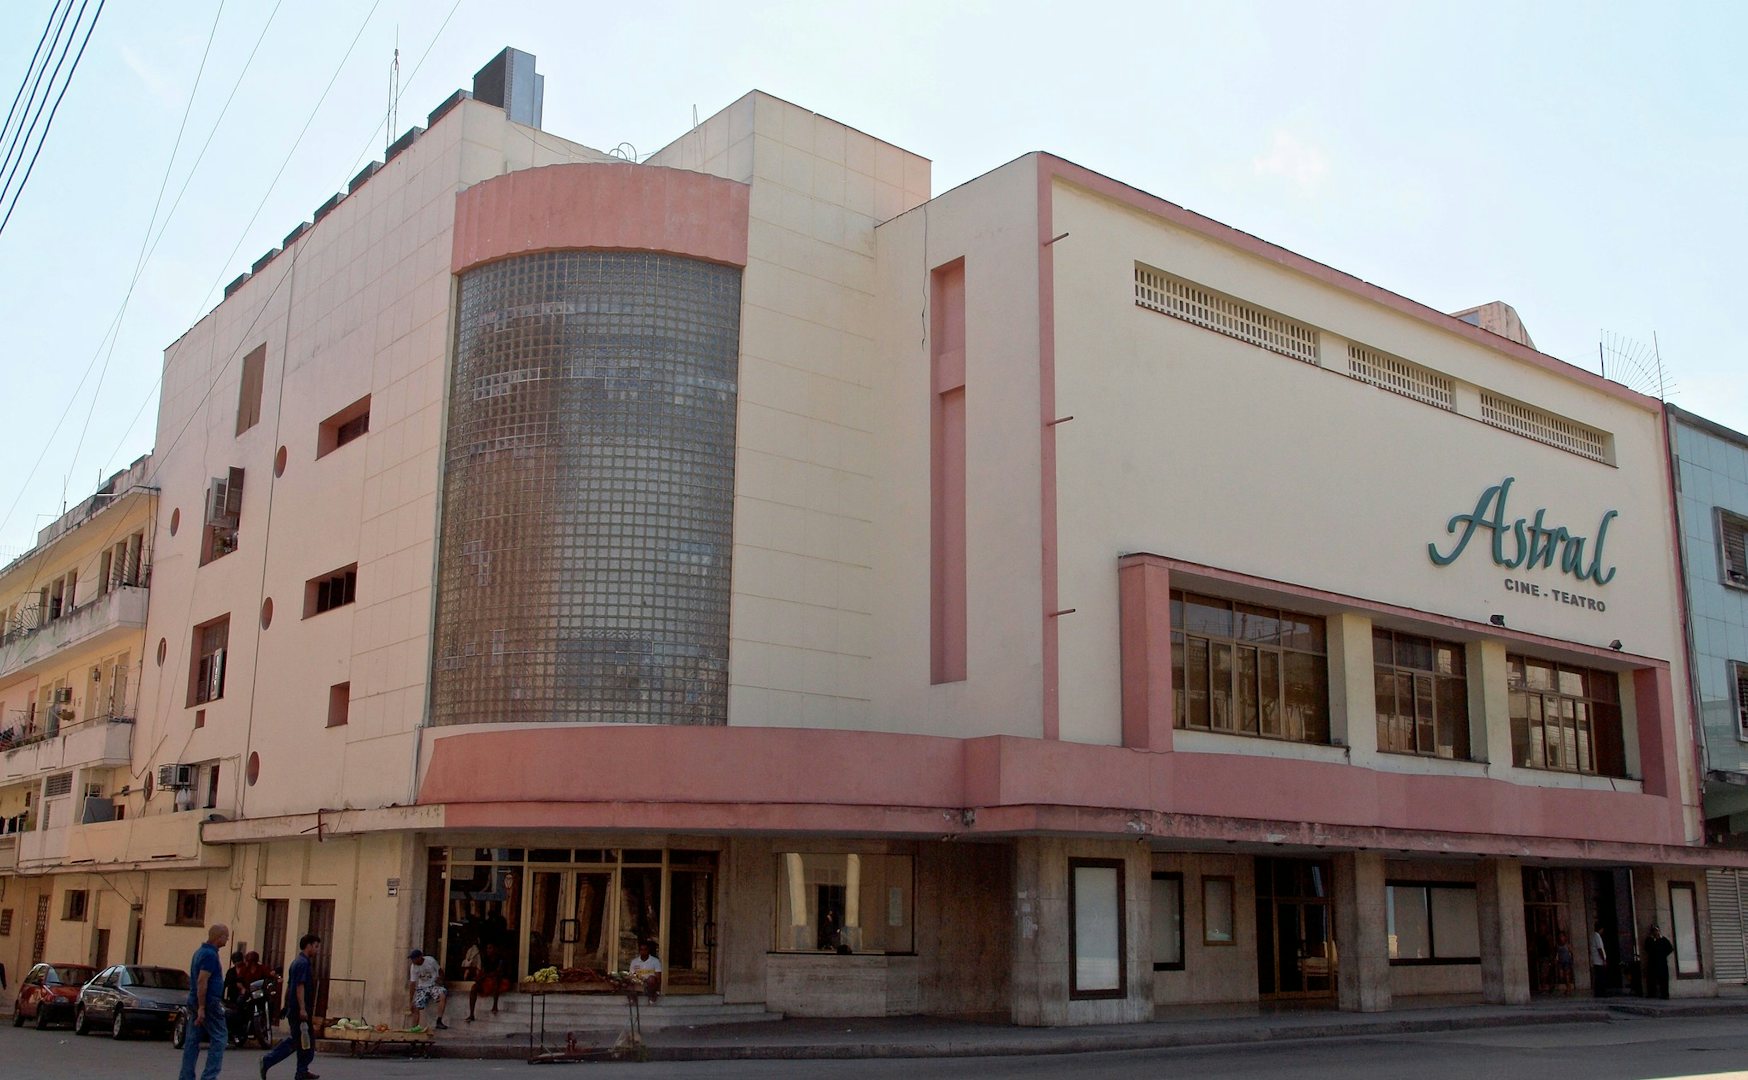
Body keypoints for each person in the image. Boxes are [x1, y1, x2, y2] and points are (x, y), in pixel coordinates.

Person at [260, 934, 320, 1080]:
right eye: (316, 946)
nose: (317, 950)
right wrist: (302, 1008)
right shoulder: (302, 964)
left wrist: (286, 1005)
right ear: (309, 946)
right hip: (299, 1010)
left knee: (302, 1041)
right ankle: (269, 1060)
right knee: (302, 1040)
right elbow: (299, 986)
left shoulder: (296, 962)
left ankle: (302, 1070)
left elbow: (289, 985)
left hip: (294, 1008)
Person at [180, 923, 231, 1080]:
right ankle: (209, 1076)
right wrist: (202, 1007)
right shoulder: (210, 955)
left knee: (192, 1040)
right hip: (208, 1002)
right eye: (226, 936)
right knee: (220, 1038)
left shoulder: (199, 952)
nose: (227, 940)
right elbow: (202, 980)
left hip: (195, 1000)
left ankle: (186, 1076)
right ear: (219, 937)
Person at [407, 948, 449, 1030]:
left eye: (415, 958)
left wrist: (441, 980)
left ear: (420, 957)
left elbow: (440, 971)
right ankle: (414, 1027)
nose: (413, 961)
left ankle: (439, 1021)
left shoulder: (430, 961)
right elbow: (412, 983)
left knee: (442, 995)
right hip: (422, 987)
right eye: (412, 959)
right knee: (415, 1005)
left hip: (433, 985)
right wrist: (410, 1000)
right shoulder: (413, 967)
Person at [467, 942, 508, 1021]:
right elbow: (483, 971)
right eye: (487, 948)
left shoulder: (500, 959)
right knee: (474, 988)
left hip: (498, 981)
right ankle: (471, 1014)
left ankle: (495, 1006)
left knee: (496, 980)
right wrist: (479, 978)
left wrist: (486, 976)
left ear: (495, 949)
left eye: (490, 948)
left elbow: (498, 972)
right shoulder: (485, 959)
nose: (488, 950)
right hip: (487, 981)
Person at [1644, 923, 1675, 999]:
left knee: (1663, 979)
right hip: (1652, 962)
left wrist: (1663, 954)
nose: (1655, 932)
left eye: (1656, 931)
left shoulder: (1663, 940)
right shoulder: (1649, 940)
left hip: (1662, 962)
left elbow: (1670, 948)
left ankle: (1665, 994)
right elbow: (1646, 948)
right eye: (1654, 931)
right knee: (1651, 979)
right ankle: (1651, 993)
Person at [1590, 921, 1609, 996]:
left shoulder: (1595, 936)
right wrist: (1604, 959)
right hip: (1598, 961)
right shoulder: (1597, 936)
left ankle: (1599, 992)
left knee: (1599, 977)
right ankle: (1601, 992)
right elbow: (1600, 949)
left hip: (1596, 961)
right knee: (1601, 977)